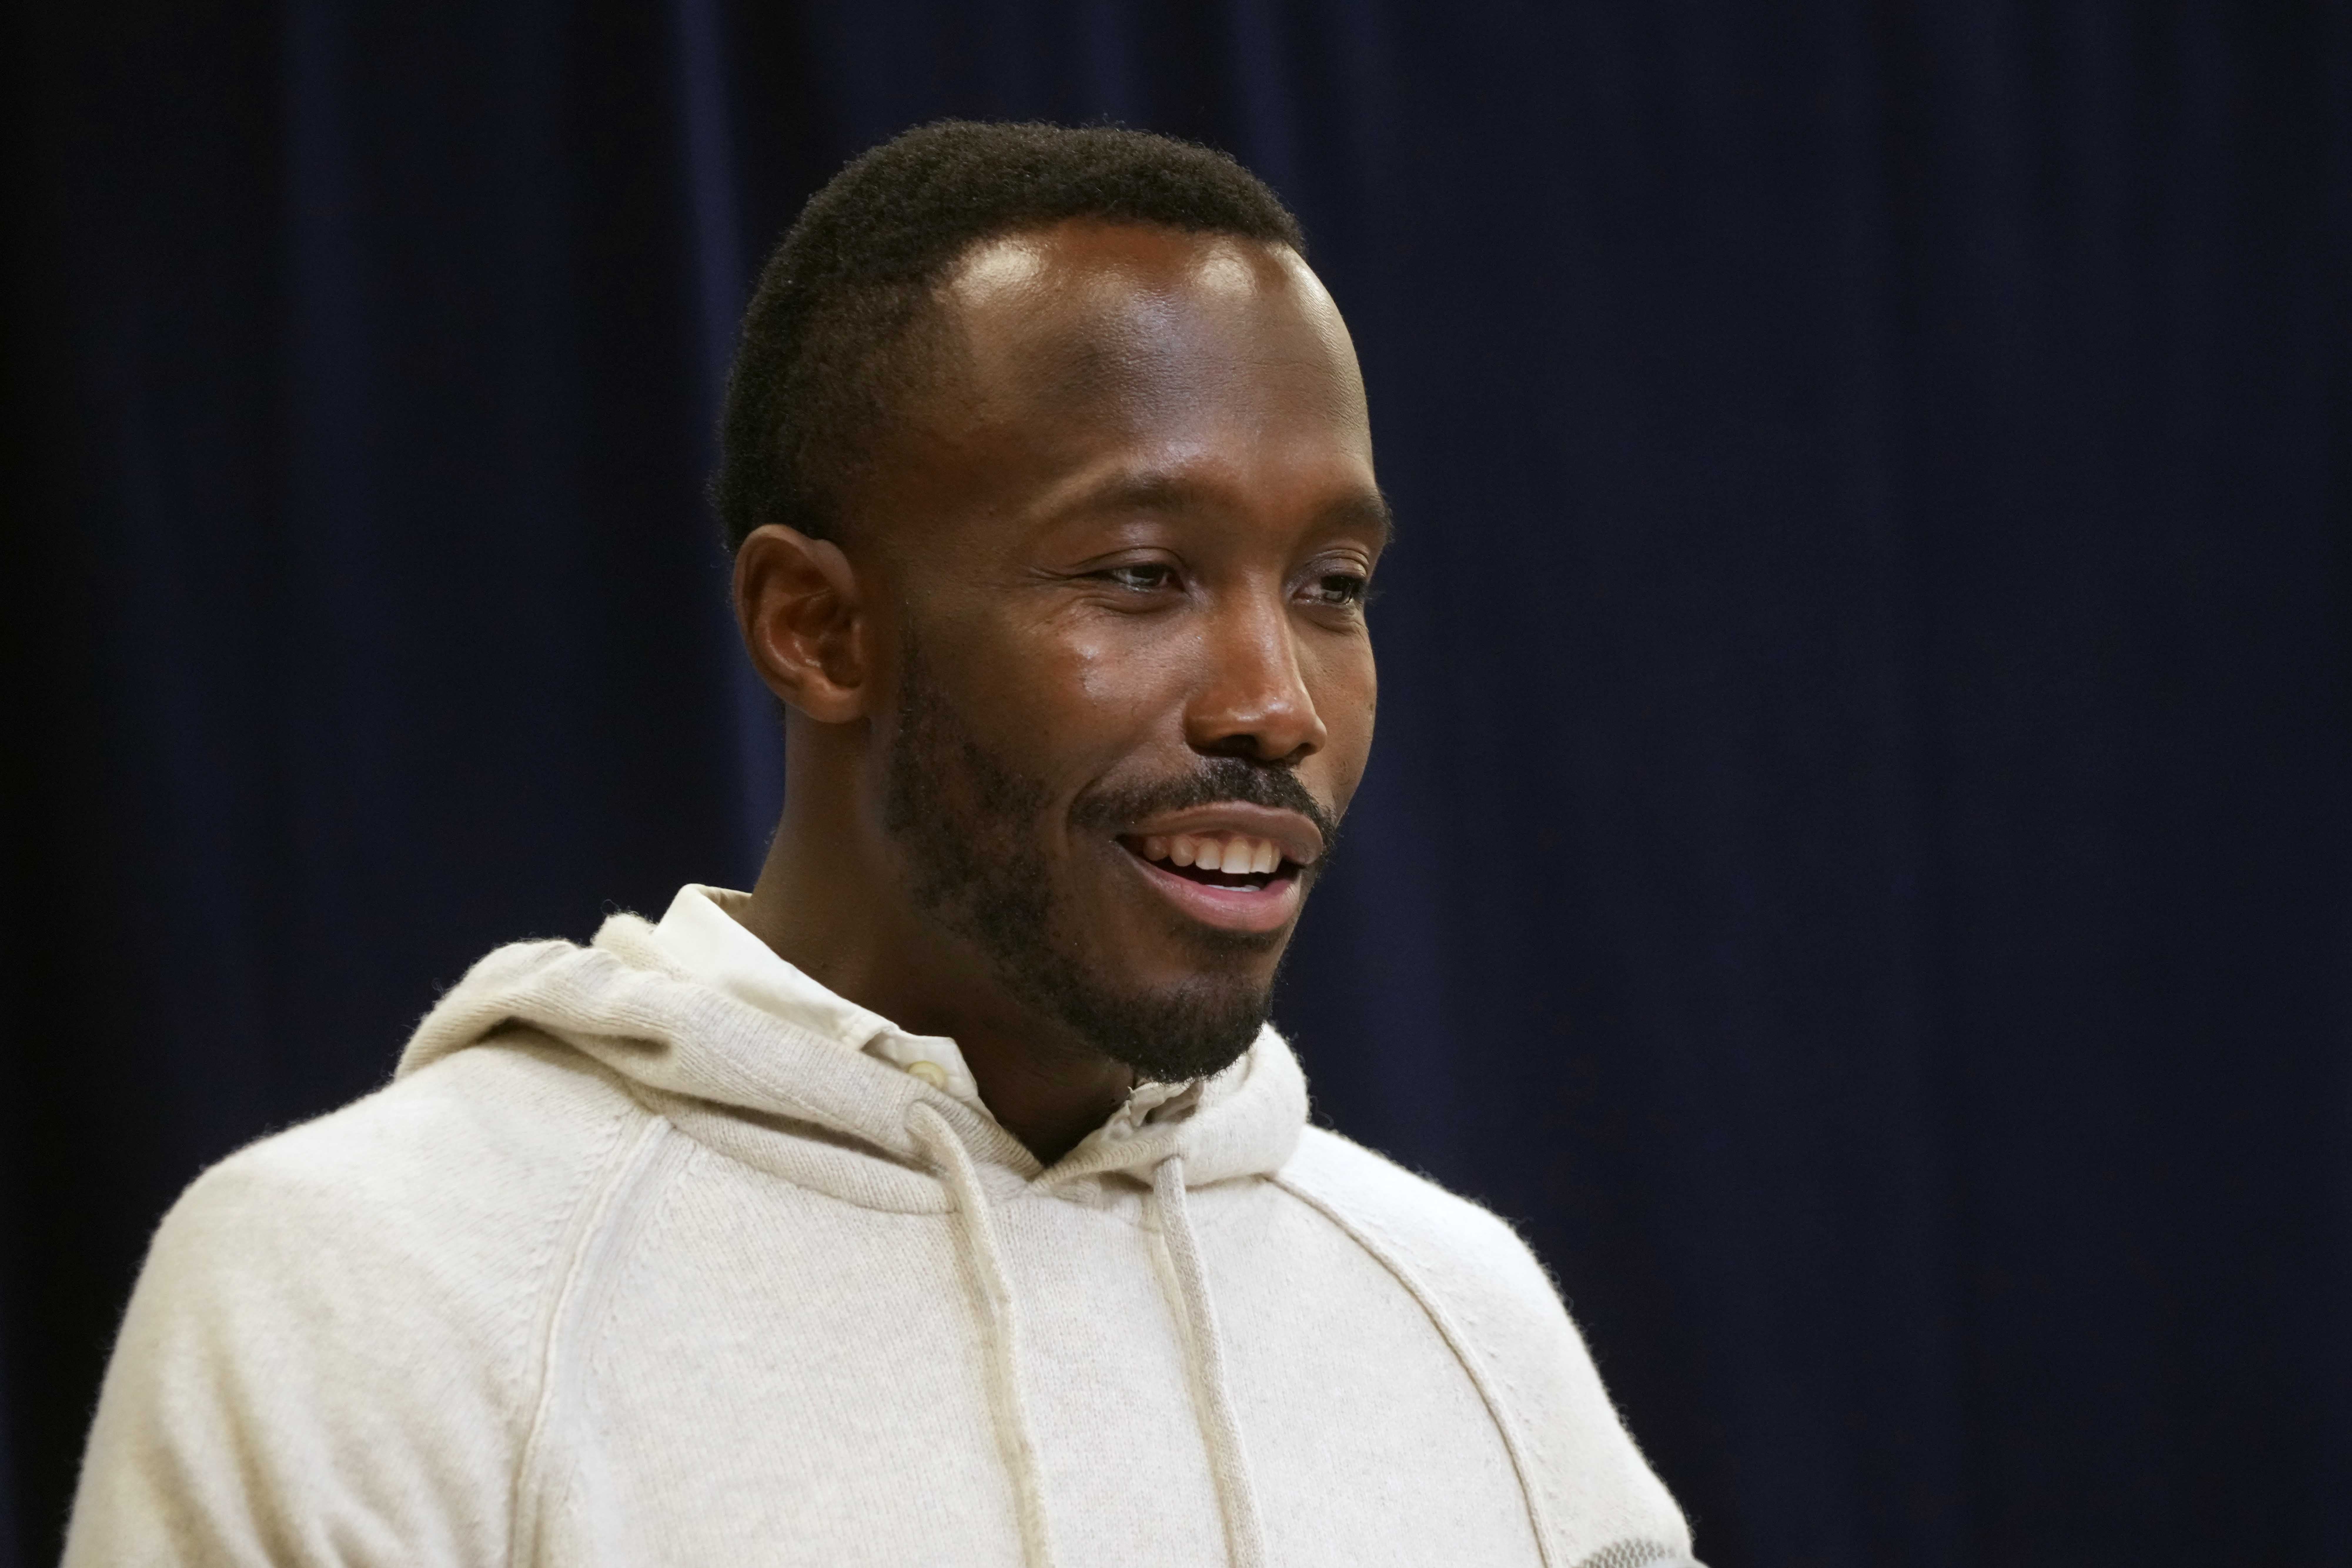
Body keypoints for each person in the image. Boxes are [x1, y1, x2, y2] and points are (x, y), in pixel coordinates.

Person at [64, 121, 1698, 1568]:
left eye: (1330, 585)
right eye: (1138, 573)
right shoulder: (361, 1293)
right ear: (820, 628)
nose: (1275, 701)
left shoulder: (1466, 1322)